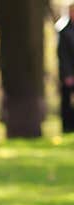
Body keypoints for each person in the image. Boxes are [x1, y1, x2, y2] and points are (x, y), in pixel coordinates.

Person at [58, 2, 74, 133]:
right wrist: (67, 74)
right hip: (69, 72)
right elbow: (63, 55)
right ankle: (67, 127)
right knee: (67, 101)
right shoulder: (64, 31)